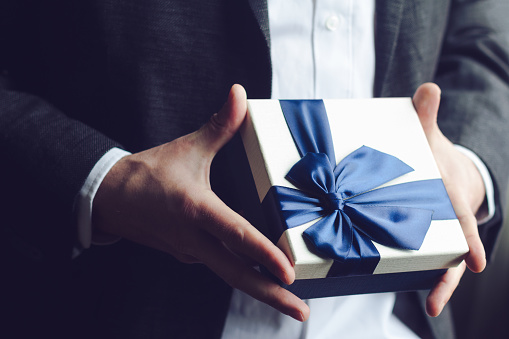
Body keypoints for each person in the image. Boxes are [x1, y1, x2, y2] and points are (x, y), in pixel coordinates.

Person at [1, 0, 508, 338]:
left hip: (396, 320)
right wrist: (102, 183)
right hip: (122, 309)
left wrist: (468, 162)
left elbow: (484, 40)